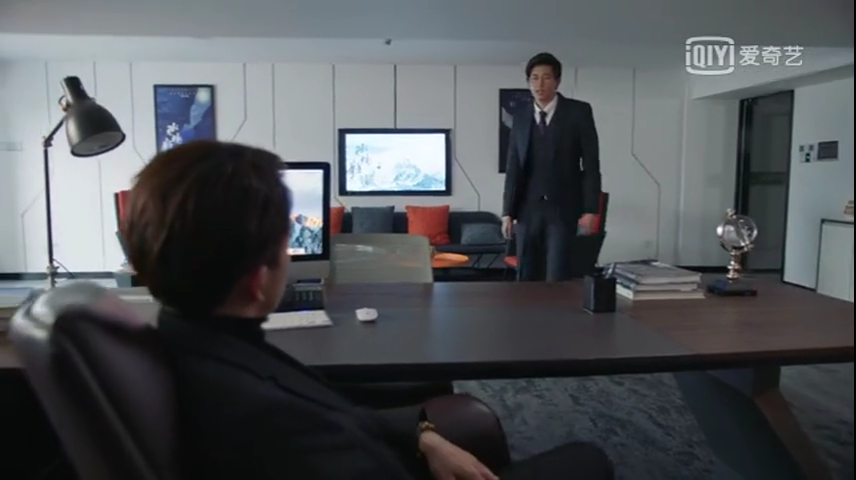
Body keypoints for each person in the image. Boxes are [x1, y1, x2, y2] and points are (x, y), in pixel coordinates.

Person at [124, 140, 614, 480]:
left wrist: (421, 436)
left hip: (400, 449)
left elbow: (327, 407)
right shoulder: (261, 418)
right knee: (587, 461)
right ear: (257, 278)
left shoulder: (195, 348)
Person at [502, 52, 602, 282]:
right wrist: (507, 212)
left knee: (558, 275)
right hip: (527, 210)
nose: (540, 84)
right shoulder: (521, 118)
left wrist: (590, 210)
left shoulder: (578, 112)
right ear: (528, 82)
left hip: (563, 208)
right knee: (526, 275)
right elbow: (513, 167)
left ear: (557, 81)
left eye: (546, 77)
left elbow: (591, 164)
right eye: (534, 78)